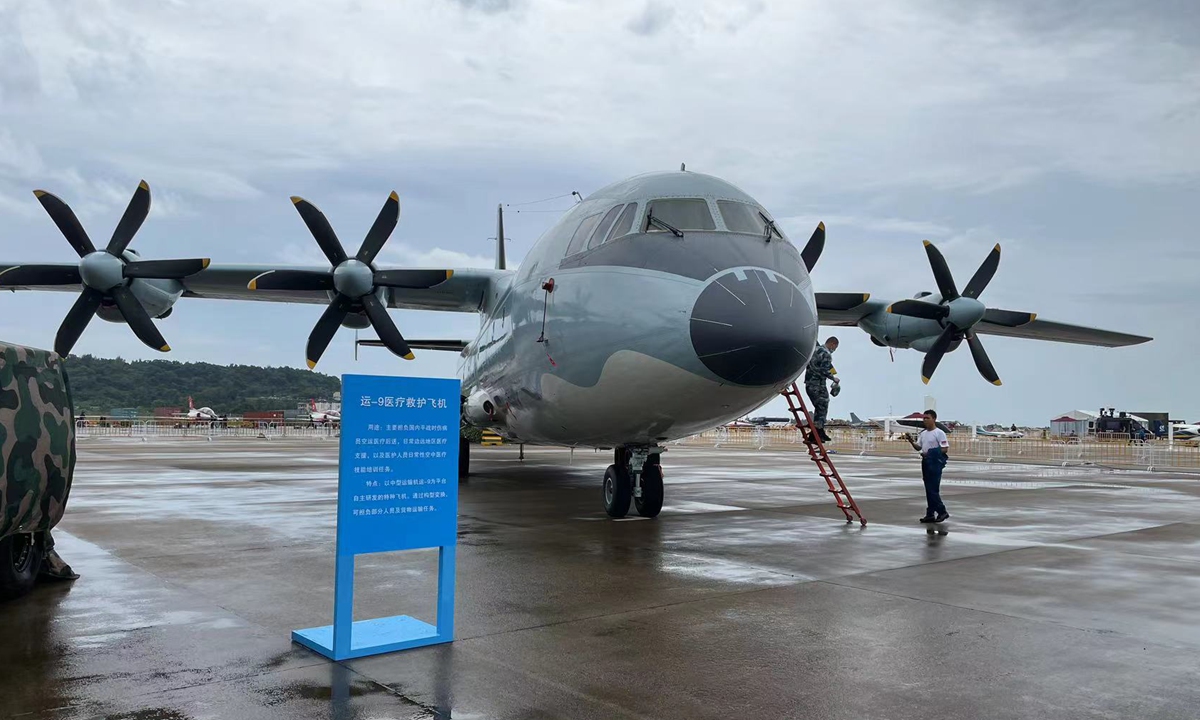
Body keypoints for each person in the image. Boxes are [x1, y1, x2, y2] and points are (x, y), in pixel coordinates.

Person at [906, 409, 950, 523]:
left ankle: (942, 511)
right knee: (928, 489)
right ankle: (930, 513)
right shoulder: (923, 433)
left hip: (935, 462)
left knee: (933, 489)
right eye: (924, 418)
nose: (925, 420)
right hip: (925, 462)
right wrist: (911, 441)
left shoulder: (939, 433)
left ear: (934, 419)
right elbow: (919, 447)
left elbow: (944, 449)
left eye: (927, 418)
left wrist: (930, 452)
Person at [805, 337, 839, 442]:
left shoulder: (815, 350)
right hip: (818, 385)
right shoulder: (826, 354)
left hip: (809, 383)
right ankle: (818, 432)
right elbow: (825, 369)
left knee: (819, 408)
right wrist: (834, 378)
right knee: (823, 407)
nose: (834, 350)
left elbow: (828, 367)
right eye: (835, 347)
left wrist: (833, 372)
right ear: (833, 344)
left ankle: (817, 432)